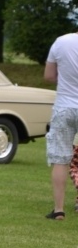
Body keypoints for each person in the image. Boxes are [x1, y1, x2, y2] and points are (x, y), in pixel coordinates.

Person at [43, 30, 78, 220]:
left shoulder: (61, 41)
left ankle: (58, 210)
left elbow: (48, 76)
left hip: (64, 107)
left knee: (61, 159)